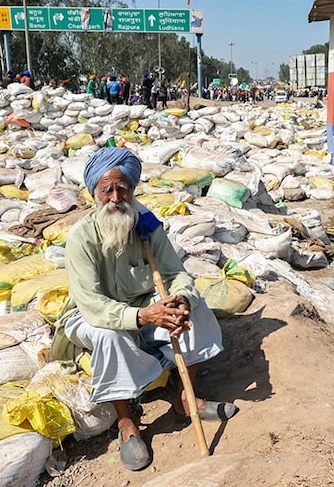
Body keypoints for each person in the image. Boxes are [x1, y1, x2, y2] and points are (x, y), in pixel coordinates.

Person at [51, 147, 236, 471]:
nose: (115, 196)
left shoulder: (146, 224)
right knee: (110, 336)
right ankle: (127, 422)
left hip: (141, 303)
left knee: (196, 310)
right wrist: (143, 316)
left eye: (123, 188)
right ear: (95, 193)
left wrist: (180, 300)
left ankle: (185, 399)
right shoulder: (82, 237)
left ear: (133, 189)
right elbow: (92, 304)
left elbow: (175, 273)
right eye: (106, 189)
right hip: (90, 314)